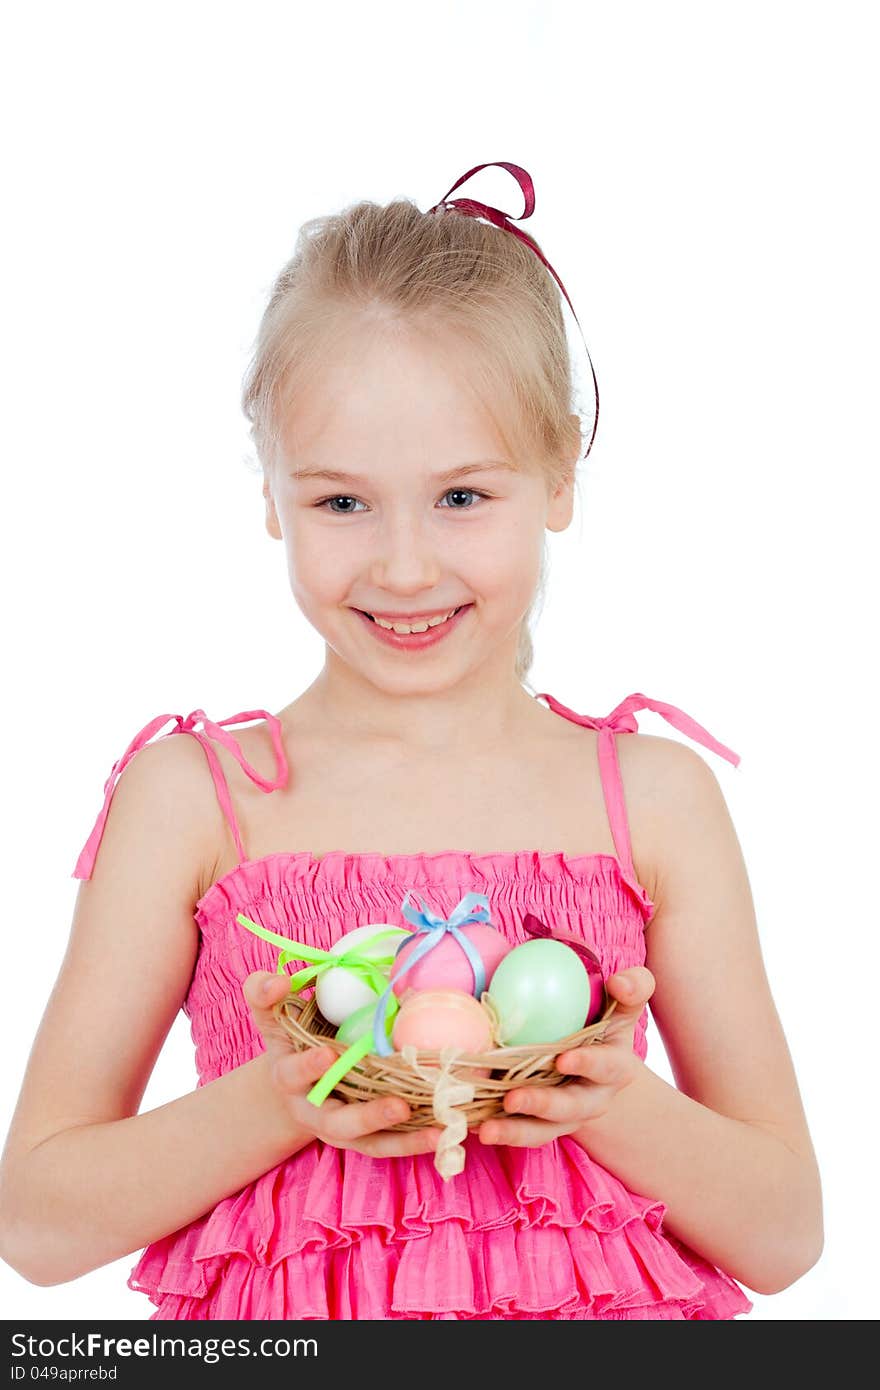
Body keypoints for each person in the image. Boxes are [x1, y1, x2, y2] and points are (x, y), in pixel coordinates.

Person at [0, 162, 822, 1320]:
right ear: (271, 496)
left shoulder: (649, 797)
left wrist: (608, 1098)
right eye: (341, 502)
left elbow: (784, 1232)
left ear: (558, 476)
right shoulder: (198, 799)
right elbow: (35, 1223)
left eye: (461, 498)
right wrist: (287, 1100)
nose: (401, 566)